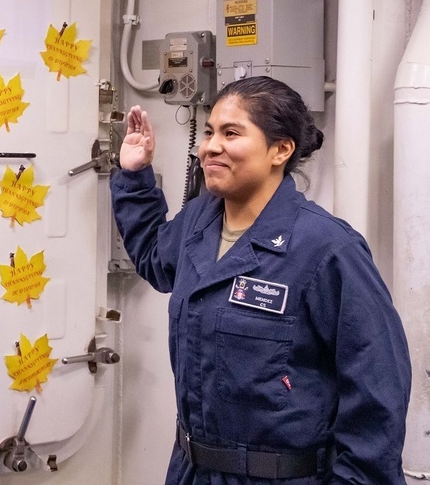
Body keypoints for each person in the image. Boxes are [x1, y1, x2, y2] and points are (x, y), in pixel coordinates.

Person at [112, 76, 410, 484]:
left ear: (281, 149)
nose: (210, 146)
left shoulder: (326, 249)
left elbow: (376, 392)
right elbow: (153, 257)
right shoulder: (201, 220)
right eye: (210, 132)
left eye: (231, 133)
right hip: (191, 471)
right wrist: (134, 176)